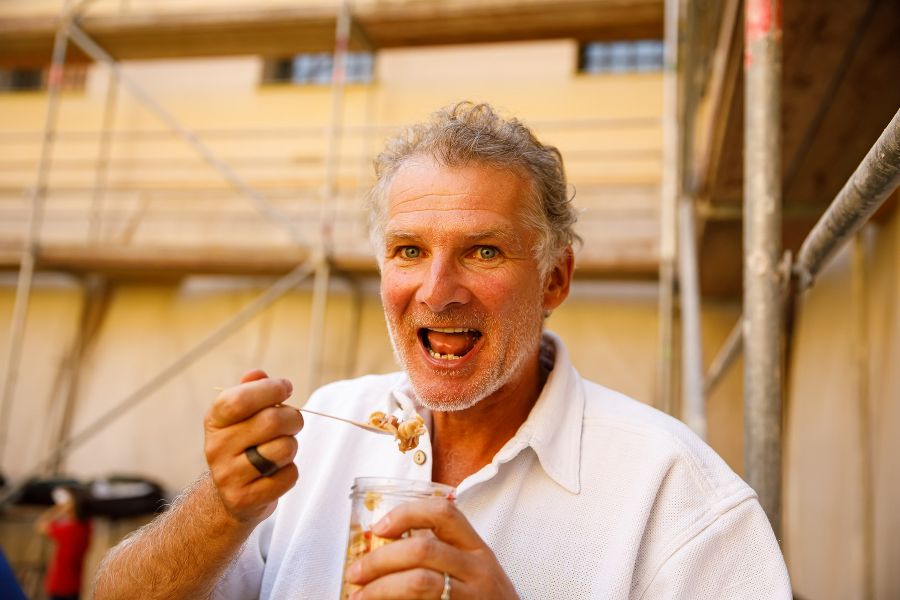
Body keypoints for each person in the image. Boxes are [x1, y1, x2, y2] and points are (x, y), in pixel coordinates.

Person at [93, 102, 792, 599]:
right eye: (408, 251)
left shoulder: (678, 496)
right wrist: (219, 509)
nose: (437, 290)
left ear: (555, 278)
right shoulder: (323, 430)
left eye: (482, 251)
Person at [36, 486, 92, 600]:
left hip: (60, 586)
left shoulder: (68, 530)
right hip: (75, 586)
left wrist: (59, 508)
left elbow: (41, 525)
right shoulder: (87, 528)